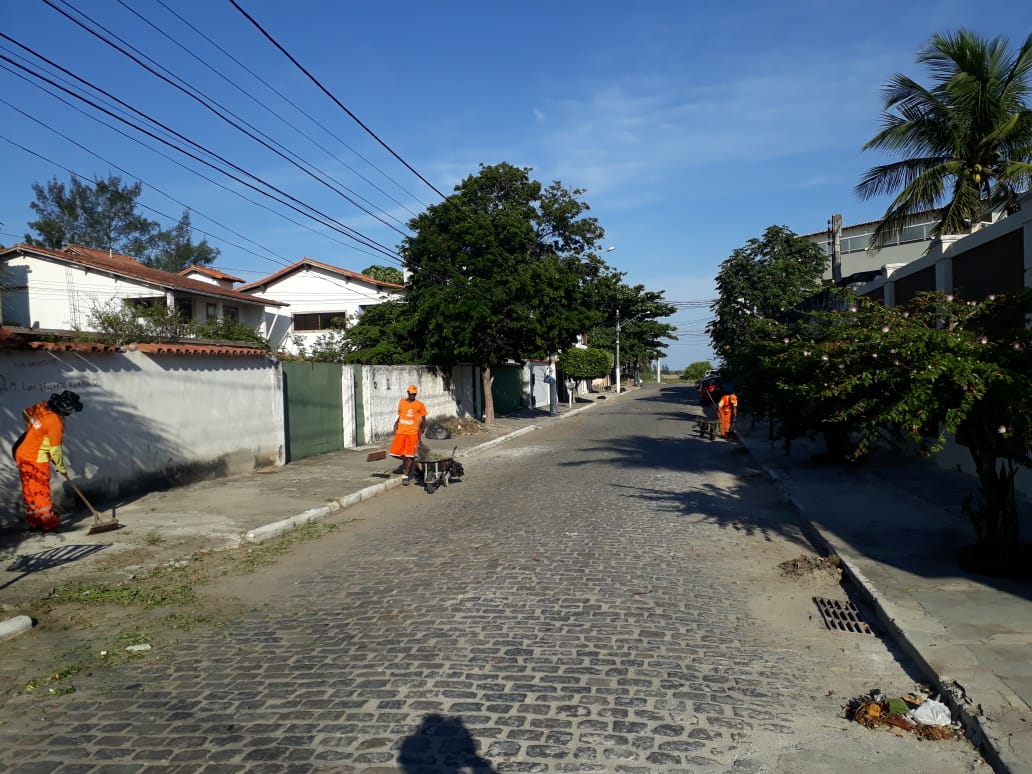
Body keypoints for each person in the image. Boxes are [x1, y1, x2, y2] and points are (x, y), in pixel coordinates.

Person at [12, 390, 84, 531]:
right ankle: (48, 523)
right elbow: (55, 450)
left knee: (30, 489)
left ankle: (34, 521)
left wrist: (33, 431)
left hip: (21, 452)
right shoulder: (56, 423)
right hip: (35, 457)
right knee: (41, 490)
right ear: (66, 409)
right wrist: (61, 467)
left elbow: (26, 413)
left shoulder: (42, 405)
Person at [389, 384, 427, 485]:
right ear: (408, 393)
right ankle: (410, 461)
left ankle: (406, 475)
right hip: (401, 432)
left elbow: (423, 420)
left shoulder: (420, 404)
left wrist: (422, 429)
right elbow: (401, 415)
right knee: (394, 453)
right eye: (411, 394)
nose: (413, 396)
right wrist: (396, 423)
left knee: (409, 455)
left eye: (414, 394)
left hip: (412, 433)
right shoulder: (401, 402)